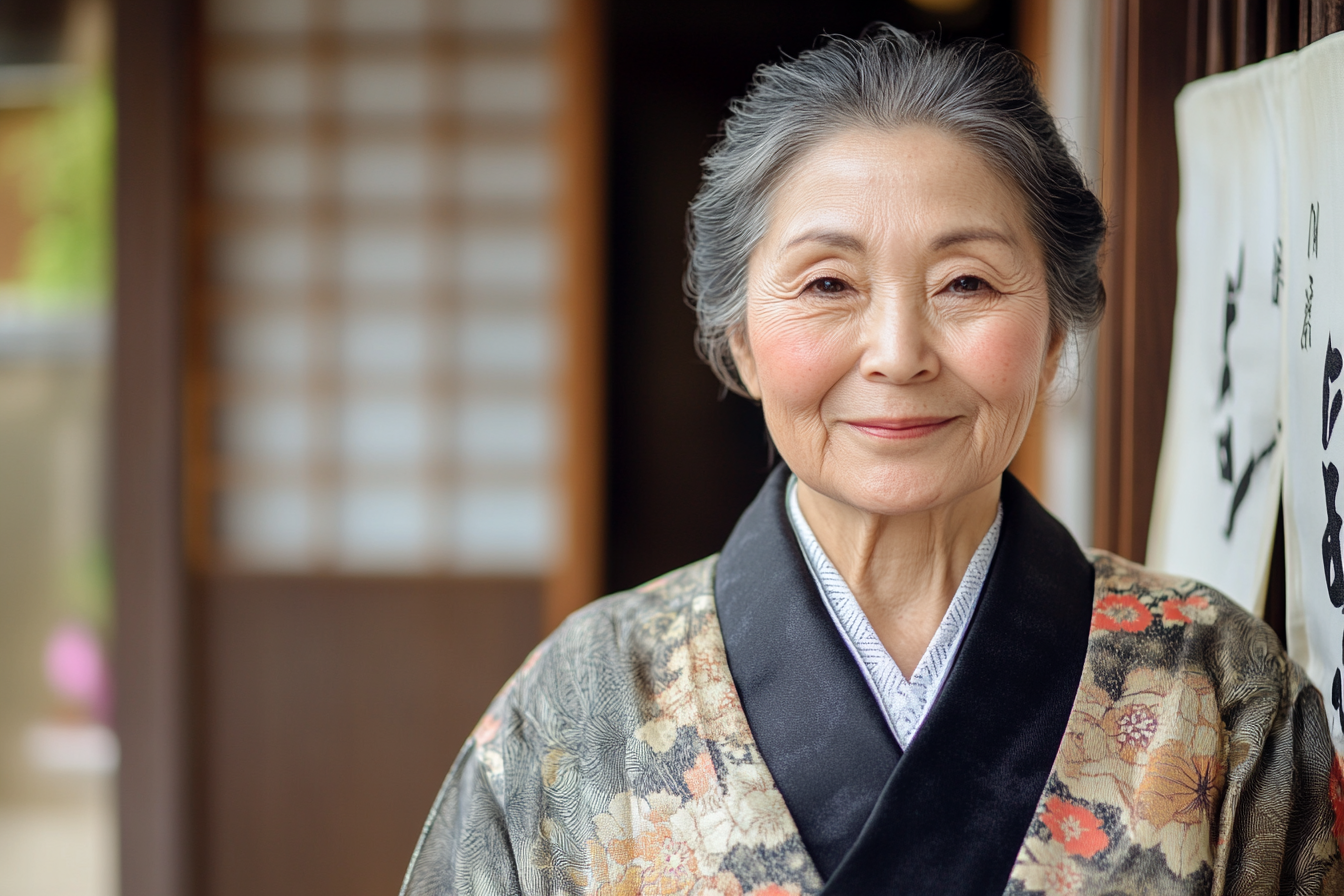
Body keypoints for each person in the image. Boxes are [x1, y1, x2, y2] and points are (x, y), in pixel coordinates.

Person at [401, 25, 1343, 896]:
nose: (898, 352)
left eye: (965, 282)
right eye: (828, 284)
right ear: (739, 340)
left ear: (1056, 334)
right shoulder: (579, 707)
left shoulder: (1219, 687)